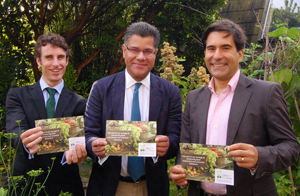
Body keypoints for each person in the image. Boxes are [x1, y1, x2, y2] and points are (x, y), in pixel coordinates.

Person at [169, 19, 300, 196]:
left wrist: (259, 156)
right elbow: (184, 149)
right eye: (211, 48)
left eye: (225, 48)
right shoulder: (194, 98)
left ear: (240, 54)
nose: (217, 56)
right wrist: (180, 171)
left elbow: (291, 147)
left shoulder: (266, 93)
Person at [85, 21, 182, 196]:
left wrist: (167, 144)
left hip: (152, 187)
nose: (141, 57)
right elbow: (88, 134)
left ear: (155, 53)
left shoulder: (170, 92)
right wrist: (94, 145)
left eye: (147, 51)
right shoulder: (101, 88)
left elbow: (176, 138)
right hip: (109, 187)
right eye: (134, 50)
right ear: (124, 51)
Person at [5, 33, 87, 196]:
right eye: (49, 57)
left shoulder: (80, 103)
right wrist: (25, 142)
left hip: (66, 186)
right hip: (25, 184)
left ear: (67, 61)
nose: (56, 64)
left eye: (61, 57)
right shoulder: (17, 95)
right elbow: (15, 131)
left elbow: (81, 140)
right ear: (38, 61)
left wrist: (78, 150)